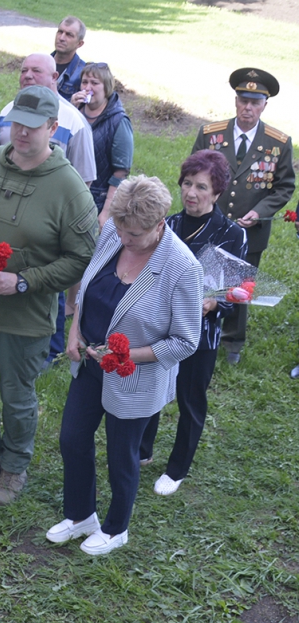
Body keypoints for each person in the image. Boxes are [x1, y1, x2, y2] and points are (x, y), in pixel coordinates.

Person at [0, 86, 97, 507]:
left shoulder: (69, 188)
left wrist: (24, 280)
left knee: (17, 396)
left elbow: (82, 257)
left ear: (53, 127)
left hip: (24, 317)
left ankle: (14, 466)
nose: (21, 135)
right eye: (15, 126)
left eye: (32, 128)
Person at [46, 176, 202, 555]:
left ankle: (117, 528)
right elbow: (86, 288)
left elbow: (186, 341)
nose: (123, 239)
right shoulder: (113, 234)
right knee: (72, 439)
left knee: (122, 454)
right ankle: (82, 515)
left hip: (135, 376)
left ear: (159, 224)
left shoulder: (183, 267)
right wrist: (75, 331)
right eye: (119, 229)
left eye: (133, 234)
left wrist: (127, 355)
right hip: (90, 362)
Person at [139, 151, 247, 495]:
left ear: (217, 194)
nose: (191, 193)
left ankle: (177, 468)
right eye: (187, 183)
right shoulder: (166, 225)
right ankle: (142, 449)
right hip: (159, 325)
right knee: (153, 386)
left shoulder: (231, 234)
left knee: (190, 397)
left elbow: (234, 291)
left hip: (201, 332)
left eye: (201, 186)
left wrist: (213, 301)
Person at [0, 52, 96, 365]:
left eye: (36, 70)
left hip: (49, 222)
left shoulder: (72, 120)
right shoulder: (6, 112)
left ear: (55, 78)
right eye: (23, 70)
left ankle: (49, 350)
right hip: (6, 216)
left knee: (45, 284)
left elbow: (84, 179)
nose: (27, 75)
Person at [192, 67, 295, 365]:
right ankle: (196, 326)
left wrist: (259, 212)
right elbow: (192, 171)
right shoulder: (211, 135)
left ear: (265, 105)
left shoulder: (278, 143)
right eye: (243, 101)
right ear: (236, 101)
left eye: (255, 102)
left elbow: (285, 186)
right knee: (204, 276)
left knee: (241, 283)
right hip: (211, 222)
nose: (248, 108)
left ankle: (233, 339)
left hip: (251, 230)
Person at [71, 62, 133, 229]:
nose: (88, 87)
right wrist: (71, 110)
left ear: (106, 88)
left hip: (97, 198)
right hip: (68, 191)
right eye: (84, 82)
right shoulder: (73, 112)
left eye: (94, 83)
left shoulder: (118, 121)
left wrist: (106, 212)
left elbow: (120, 172)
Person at [52, 16, 86, 102]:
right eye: (60, 32)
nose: (61, 38)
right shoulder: (41, 64)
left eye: (69, 35)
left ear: (79, 44)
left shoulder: (84, 73)